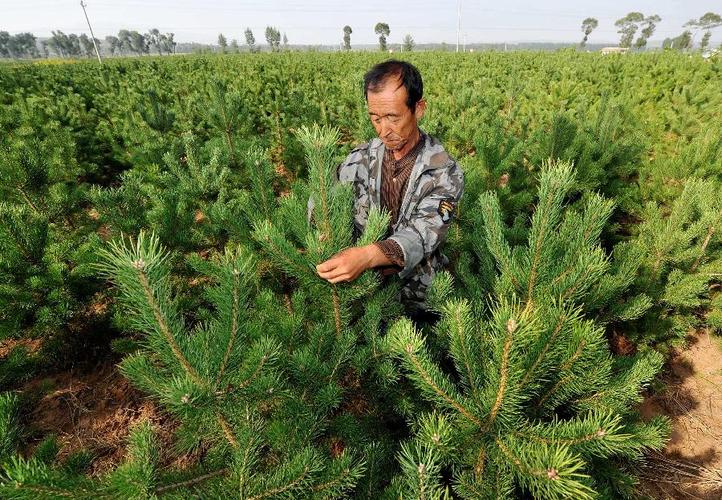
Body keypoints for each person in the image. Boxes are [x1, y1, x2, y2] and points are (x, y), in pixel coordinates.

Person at [314, 60, 464, 318]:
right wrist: (322, 232)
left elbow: (422, 234)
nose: (384, 130)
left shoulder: (443, 171)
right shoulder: (358, 160)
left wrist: (367, 256)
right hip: (363, 297)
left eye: (393, 118)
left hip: (419, 298)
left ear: (419, 109)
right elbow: (322, 203)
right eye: (375, 119)